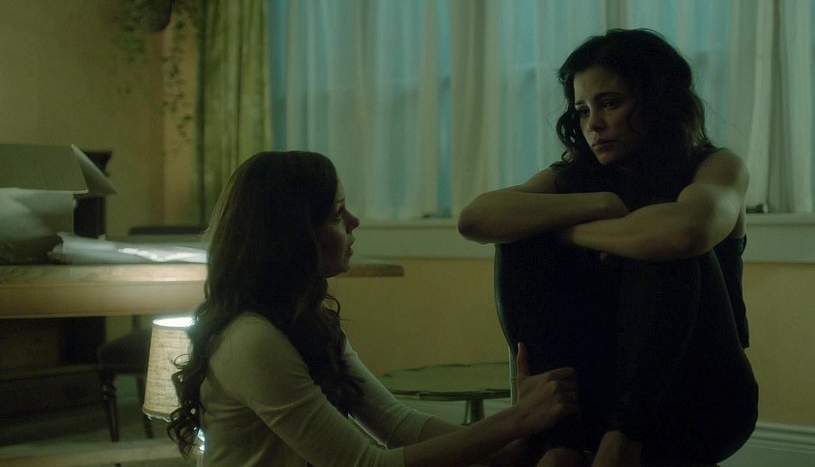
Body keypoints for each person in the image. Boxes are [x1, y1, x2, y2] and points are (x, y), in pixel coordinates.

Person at [458, 29, 758, 467]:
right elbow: (476, 218)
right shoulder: (578, 178)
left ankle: (622, 443)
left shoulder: (716, 166)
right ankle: (561, 443)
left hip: (702, 397)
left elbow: (686, 232)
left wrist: (570, 232)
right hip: (600, 393)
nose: (593, 124)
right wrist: (600, 205)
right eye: (582, 110)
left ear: (656, 102)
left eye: (610, 103)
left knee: (656, 238)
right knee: (521, 234)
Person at [167, 150, 579, 467]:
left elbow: (398, 425)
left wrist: (515, 442)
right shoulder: (251, 339)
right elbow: (363, 464)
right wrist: (516, 421)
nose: (354, 221)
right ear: (292, 236)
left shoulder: (308, 320)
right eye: (336, 213)